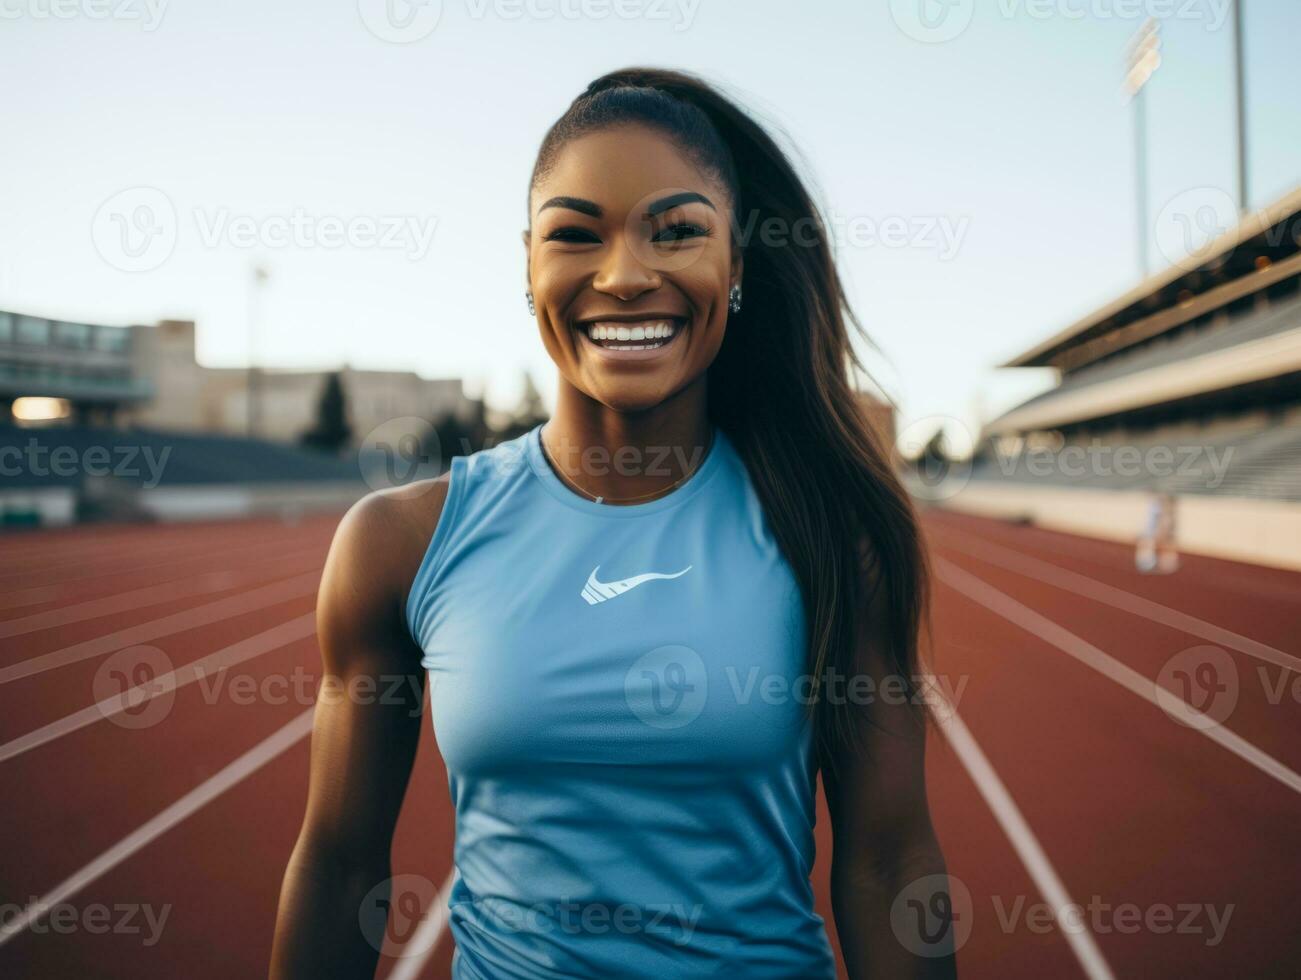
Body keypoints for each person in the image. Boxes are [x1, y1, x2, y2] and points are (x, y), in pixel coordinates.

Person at [270, 67, 954, 979]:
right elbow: (337, 863)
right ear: (527, 265)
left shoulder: (828, 537)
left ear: (736, 264)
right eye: (575, 235)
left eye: (676, 231)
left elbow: (887, 861)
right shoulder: (398, 544)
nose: (626, 275)